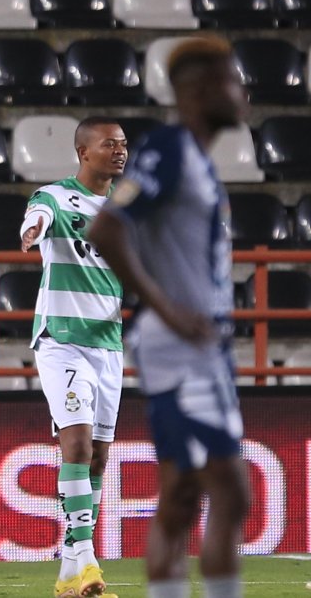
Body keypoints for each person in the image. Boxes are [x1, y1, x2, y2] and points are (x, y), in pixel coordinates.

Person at [88, 37, 250, 598]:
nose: (243, 92)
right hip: (181, 348)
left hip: (201, 347)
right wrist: (169, 310)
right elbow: (107, 227)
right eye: (233, 80)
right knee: (230, 491)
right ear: (201, 90)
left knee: (184, 496)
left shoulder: (195, 159)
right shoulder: (170, 150)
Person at [20, 117, 128, 598]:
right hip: (61, 337)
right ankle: (86, 560)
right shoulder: (55, 196)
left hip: (107, 344)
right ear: (84, 152)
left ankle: (68, 575)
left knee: (100, 457)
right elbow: (36, 218)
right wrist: (34, 228)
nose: (120, 152)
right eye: (110, 144)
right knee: (78, 445)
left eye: (124, 144)